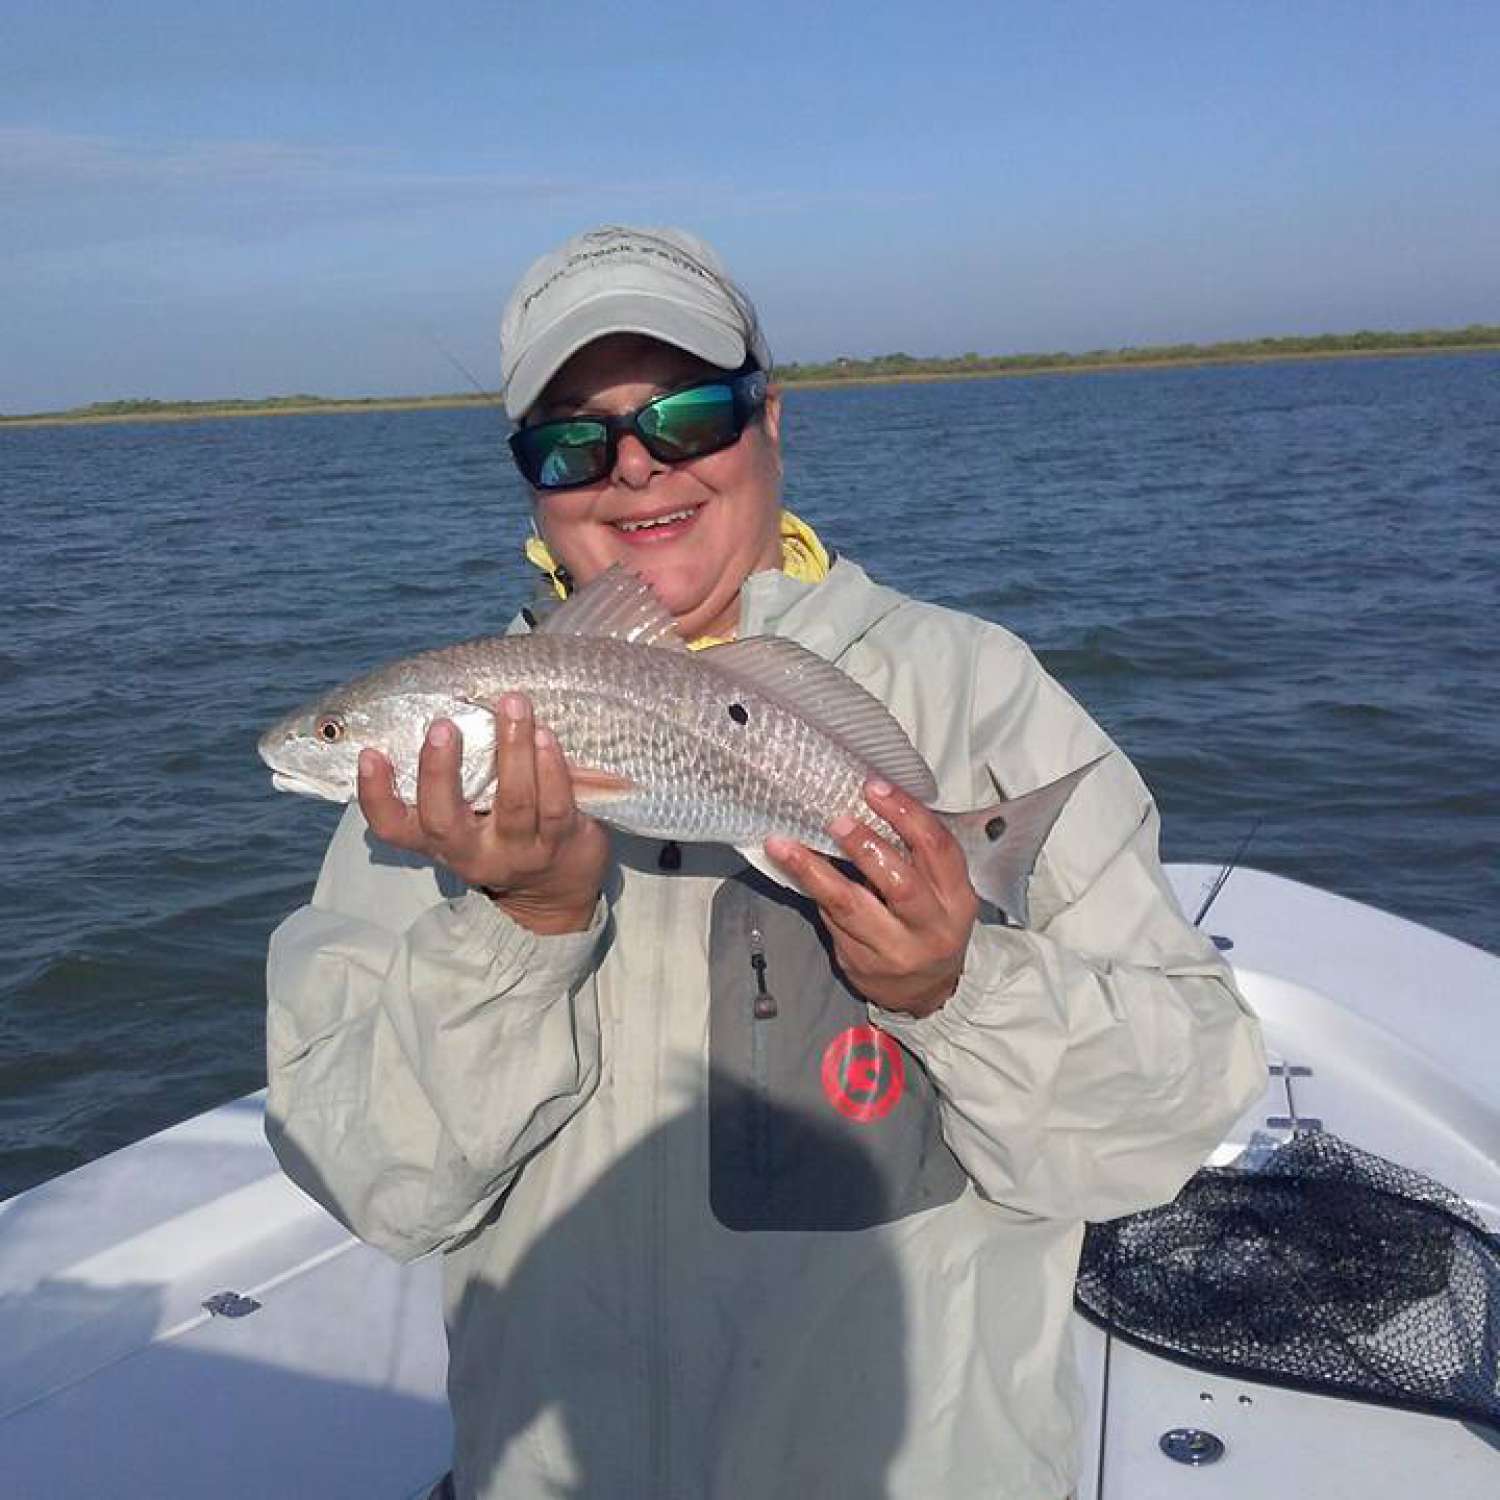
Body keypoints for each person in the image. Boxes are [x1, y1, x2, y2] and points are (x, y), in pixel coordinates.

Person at [265, 224, 1265, 1499]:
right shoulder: (426, 797)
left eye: (685, 414)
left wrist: (958, 986)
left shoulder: (978, 692)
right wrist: (517, 927)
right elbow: (378, 1189)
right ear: (530, 480)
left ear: (769, 417)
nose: (634, 472)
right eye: (572, 443)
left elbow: (1167, 1126)